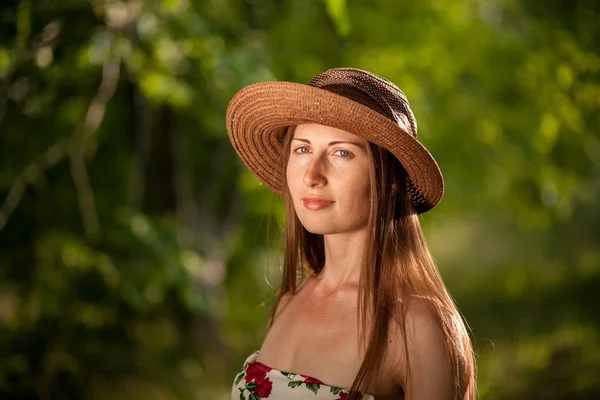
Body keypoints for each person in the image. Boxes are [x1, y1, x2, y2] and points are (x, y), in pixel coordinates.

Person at [226, 68, 476, 400]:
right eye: (302, 149)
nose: (312, 175)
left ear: (390, 180)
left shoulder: (417, 329)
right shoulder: (289, 301)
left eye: (341, 152)